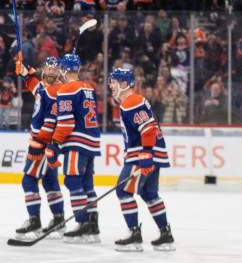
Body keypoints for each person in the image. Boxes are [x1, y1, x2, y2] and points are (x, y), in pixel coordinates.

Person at [108, 67, 174, 252]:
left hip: (142, 155)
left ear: (123, 84)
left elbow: (148, 127)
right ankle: (166, 234)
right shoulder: (130, 102)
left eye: (113, 82)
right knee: (149, 194)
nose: (110, 85)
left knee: (123, 191)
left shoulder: (132, 101)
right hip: (151, 154)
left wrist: (145, 156)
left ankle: (134, 234)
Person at [9, 56, 66, 244]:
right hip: (48, 143)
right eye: (48, 68)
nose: (51, 71)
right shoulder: (46, 88)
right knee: (50, 182)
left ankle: (34, 220)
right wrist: (26, 73)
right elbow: (36, 88)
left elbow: (51, 121)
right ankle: (59, 219)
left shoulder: (55, 91)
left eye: (54, 69)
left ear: (59, 72)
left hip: (43, 143)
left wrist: (39, 144)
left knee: (28, 180)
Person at [49, 53, 102, 244]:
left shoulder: (66, 89)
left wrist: (54, 143)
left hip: (76, 142)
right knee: (87, 184)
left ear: (64, 70)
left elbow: (66, 122)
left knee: (72, 182)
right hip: (92, 140)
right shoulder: (88, 87)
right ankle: (93, 225)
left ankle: (82, 223)